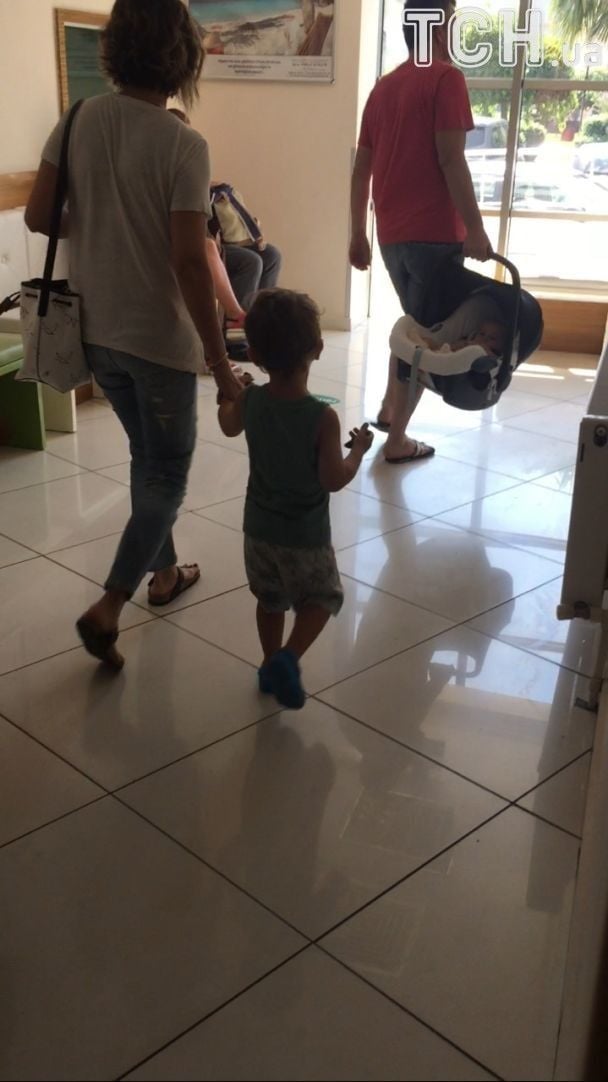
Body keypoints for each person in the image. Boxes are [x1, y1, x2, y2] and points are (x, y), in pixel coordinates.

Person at [26, 0, 242, 670]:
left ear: (115, 47)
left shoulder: (78, 119)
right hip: (158, 340)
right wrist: (221, 364)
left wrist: (100, 223)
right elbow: (188, 261)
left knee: (145, 455)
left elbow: (39, 216)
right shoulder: (184, 145)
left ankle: (166, 572)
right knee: (167, 473)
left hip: (97, 334)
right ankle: (110, 603)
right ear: (183, 57)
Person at [350, 0, 492, 464]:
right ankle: (397, 440)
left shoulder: (384, 87)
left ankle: (389, 410)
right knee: (425, 339)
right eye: (452, 19)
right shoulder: (446, 79)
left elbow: (361, 169)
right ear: (436, 28)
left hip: (392, 234)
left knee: (414, 323)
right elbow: (452, 159)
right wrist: (475, 229)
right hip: (435, 234)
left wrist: (357, 233)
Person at [217, 288, 373, 710]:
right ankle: (288, 658)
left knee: (269, 601)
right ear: (318, 348)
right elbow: (333, 480)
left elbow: (228, 425)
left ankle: (269, 662)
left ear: (254, 354)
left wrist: (229, 395)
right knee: (322, 598)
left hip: (258, 531)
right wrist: (357, 452)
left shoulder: (251, 400)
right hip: (305, 536)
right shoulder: (322, 418)